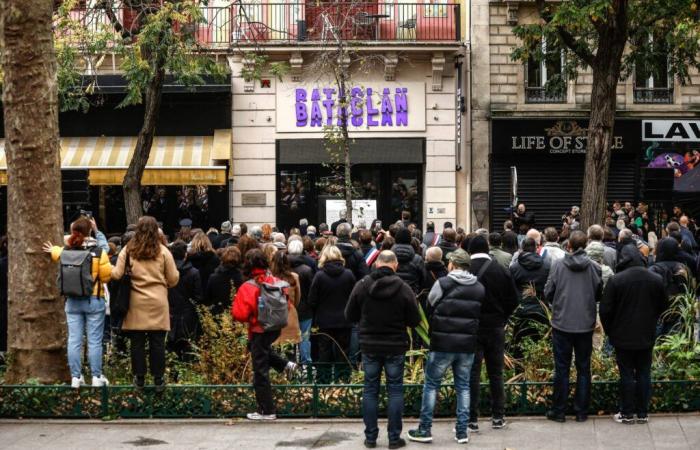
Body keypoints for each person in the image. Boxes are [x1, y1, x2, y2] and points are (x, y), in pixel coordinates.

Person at [407, 249, 484, 445]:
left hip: (442, 343)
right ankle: (461, 432)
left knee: (432, 385)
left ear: (453, 265)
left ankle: (425, 429)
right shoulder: (479, 287)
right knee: (463, 386)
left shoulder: (442, 283)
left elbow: (430, 304)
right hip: (467, 344)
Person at [345, 250, 420, 449]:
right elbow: (415, 320)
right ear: (395, 265)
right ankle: (394, 438)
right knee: (395, 390)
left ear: (377, 264)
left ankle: (370, 437)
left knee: (370, 390)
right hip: (395, 346)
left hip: (369, 345)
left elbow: (349, 314)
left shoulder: (362, 285)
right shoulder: (404, 288)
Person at [600, 244, 668, 425]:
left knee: (626, 374)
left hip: (622, 335)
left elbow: (605, 310)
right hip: (646, 333)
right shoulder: (655, 278)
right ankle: (643, 412)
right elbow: (664, 305)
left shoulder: (616, 280)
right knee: (644, 372)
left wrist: (610, 331)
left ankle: (627, 413)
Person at [112, 216, 180, 390]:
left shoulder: (128, 250)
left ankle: (139, 378)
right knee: (157, 342)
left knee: (137, 342)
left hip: (136, 303)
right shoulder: (164, 251)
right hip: (158, 302)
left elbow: (117, 274)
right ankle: (158, 379)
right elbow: (173, 279)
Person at [43, 217, 112, 388]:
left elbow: (56, 252)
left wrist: (52, 249)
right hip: (94, 300)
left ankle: (76, 377)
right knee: (94, 341)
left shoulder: (65, 250)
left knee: (74, 340)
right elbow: (106, 276)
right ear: (90, 231)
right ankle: (96, 377)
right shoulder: (98, 253)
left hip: (72, 301)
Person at [232, 248, 297, 420]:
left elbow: (240, 314)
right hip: (275, 328)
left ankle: (266, 410)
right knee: (261, 351)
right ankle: (285, 365)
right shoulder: (275, 281)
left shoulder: (248, 286)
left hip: (258, 329)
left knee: (260, 370)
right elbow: (287, 305)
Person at [544, 230, 602, 423]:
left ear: (568, 245)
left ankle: (559, 411)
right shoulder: (594, 267)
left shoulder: (558, 265)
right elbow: (598, 293)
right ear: (585, 245)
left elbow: (548, 291)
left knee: (562, 368)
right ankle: (581, 411)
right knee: (583, 368)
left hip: (562, 322)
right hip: (585, 323)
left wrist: (557, 303)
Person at [467, 236, 518, 432]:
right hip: (496, 326)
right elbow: (513, 299)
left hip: (473, 326)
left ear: (470, 250)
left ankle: (472, 419)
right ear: (487, 248)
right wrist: (502, 317)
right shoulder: (501, 270)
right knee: (496, 373)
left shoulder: (466, 270)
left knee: (472, 373)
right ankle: (498, 416)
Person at [308, 245, 356, 382]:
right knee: (343, 351)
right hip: (344, 319)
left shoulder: (319, 276)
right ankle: (343, 381)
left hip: (324, 321)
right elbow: (354, 297)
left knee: (324, 352)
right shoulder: (348, 275)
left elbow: (312, 300)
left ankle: (324, 382)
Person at [509, 237, 552, 353]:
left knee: (519, 344)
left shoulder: (514, 267)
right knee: (540, 344)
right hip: (541, 308)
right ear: (536, 249)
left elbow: (511, 291)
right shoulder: (546, 266)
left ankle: (519, 369)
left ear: (522, 249)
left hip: (521, 309)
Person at [166, 241, 202, 363]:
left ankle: (172, 371)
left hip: (169, 311)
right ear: (185, 254)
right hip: (188, 312)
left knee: (170, 345)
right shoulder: (194, 272)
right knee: (188, 344)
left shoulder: (166, 271)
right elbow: (198, 295)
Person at [288, 239, 315, 365]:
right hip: (305, 309)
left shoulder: (283, 269)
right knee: (305, 338)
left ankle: (290, 365)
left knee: (289, 338)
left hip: (288, 308)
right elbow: (312, 290)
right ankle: (306, 366)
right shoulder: (307, 269)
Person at [270, 251, 301, 346]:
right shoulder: (294, 277)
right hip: (290, 315)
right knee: (291, 352)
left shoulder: (269, 278)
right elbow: (298, 299)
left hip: (273, 317)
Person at [203, 246, 243, 316]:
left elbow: (207, 298)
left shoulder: (213, 277)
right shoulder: (241, 277)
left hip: (217, 313)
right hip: (235, 314)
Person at [392, 228, 425, 294]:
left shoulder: (388, 257)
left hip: (392, 293)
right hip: (411, 294)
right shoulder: (418, 259)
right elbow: (423, 279)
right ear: (410, 239)